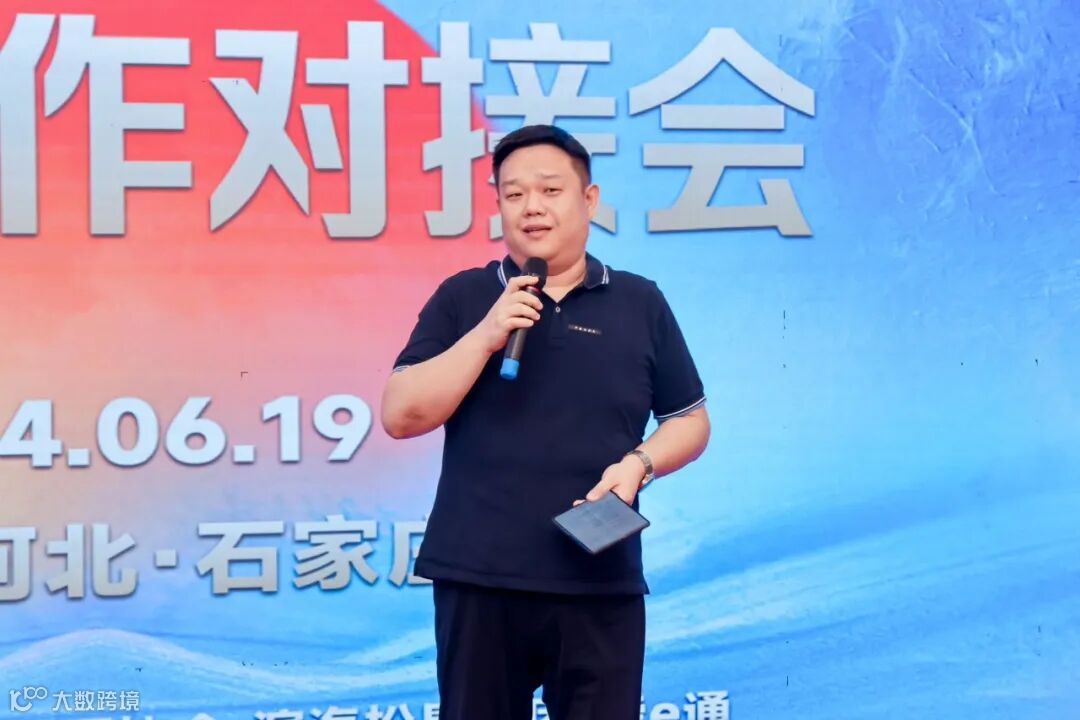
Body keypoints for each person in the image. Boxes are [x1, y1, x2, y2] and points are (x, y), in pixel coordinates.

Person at [381, 124, 711, 720]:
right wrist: (487, 334)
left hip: (598, 574)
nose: (531, 207)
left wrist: (639, 465)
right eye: (514, 194)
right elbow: (401, 415)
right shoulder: (464, 297)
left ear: (589, 200)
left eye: (550, 190)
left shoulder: (640, 302)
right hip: (480, 577)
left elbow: (690, 421)